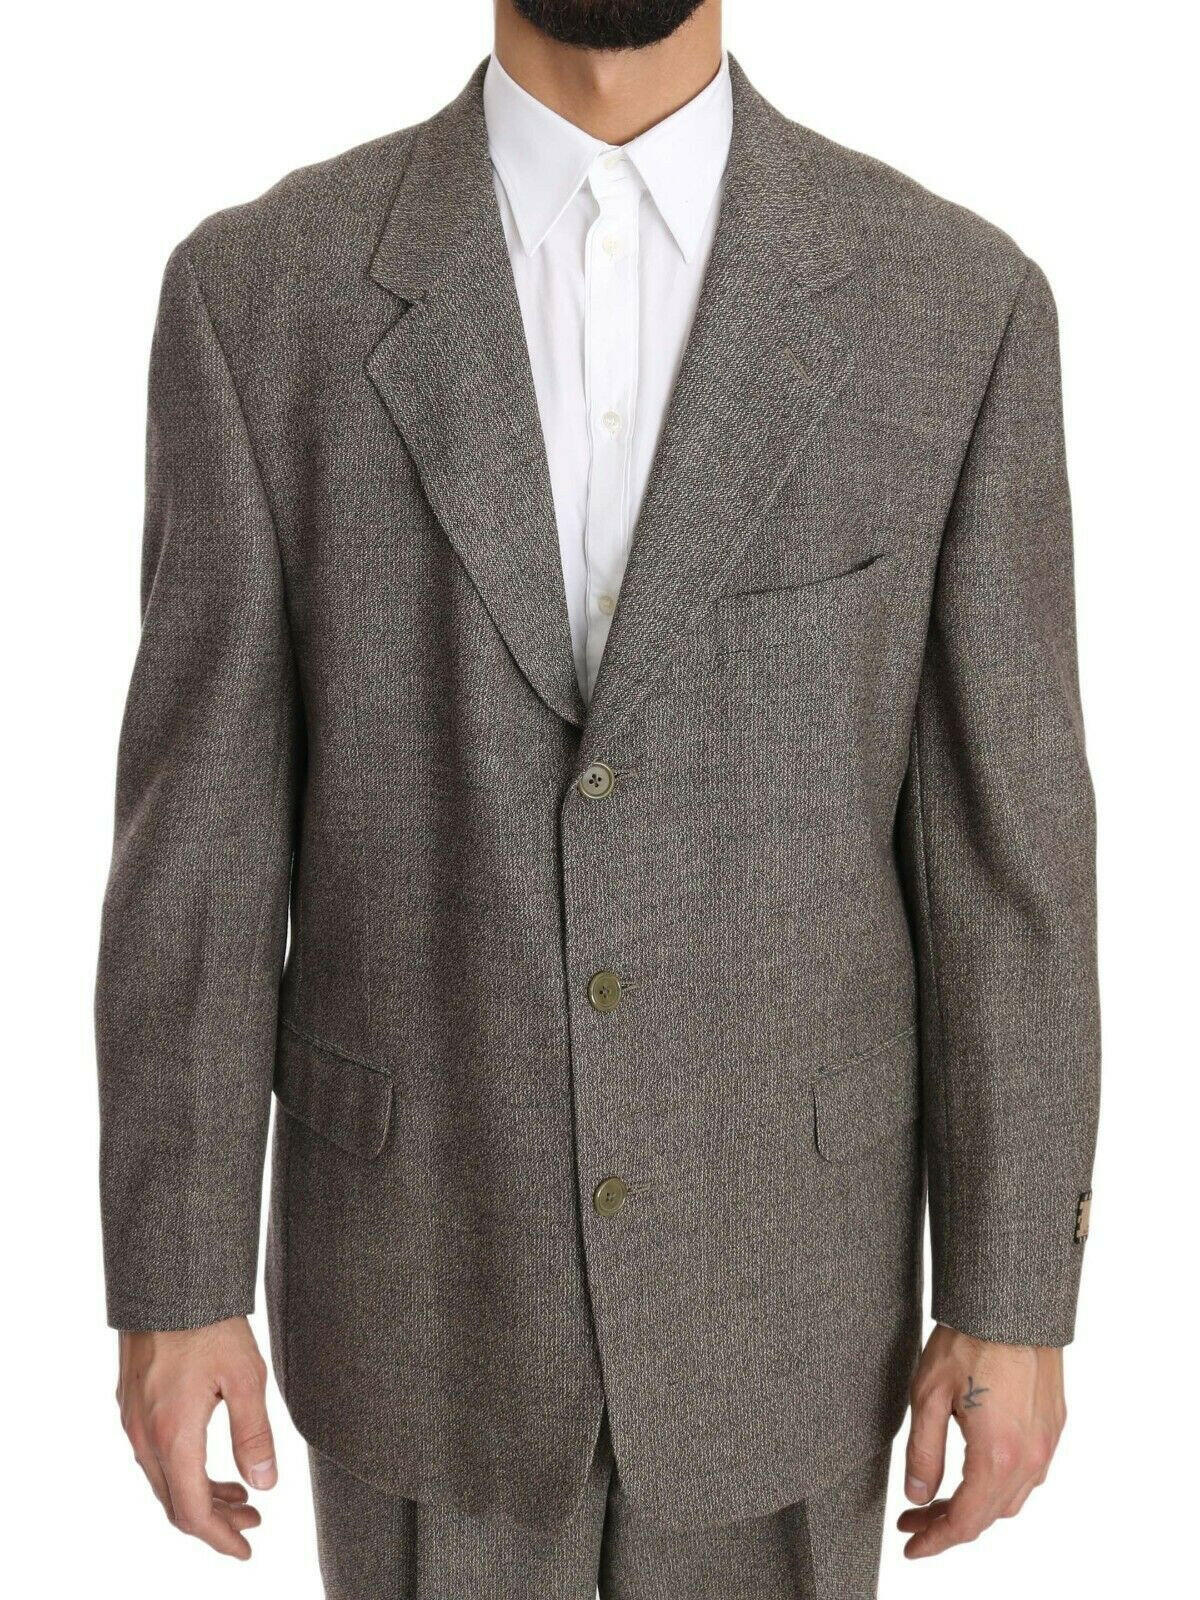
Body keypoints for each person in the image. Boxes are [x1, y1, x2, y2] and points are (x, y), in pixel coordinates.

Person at [97, 2, 1100, 1594]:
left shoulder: (952, 309)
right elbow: (198, 839)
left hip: (789, 1307)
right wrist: (175, 1274)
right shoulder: (263, 296)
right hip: (421, 1290)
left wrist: (1014, 1288)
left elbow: (1005, 851)